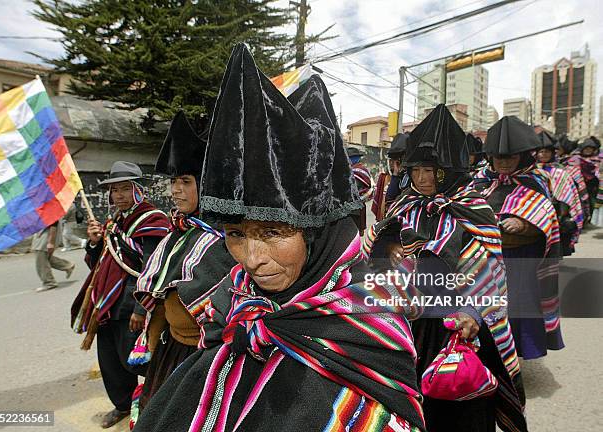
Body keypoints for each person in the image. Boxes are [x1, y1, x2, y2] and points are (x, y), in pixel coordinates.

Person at [133, 43, 424, 432]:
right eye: (235, 234)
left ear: (318, 233)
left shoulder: (368, 319)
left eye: (273, 231)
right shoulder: (232, 306)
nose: (251, 259)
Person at [363, 105, 526, 432]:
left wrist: (473, 314)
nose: (423, 179)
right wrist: (387, 249)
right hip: (412, 325)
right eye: (417, 170)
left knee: (461, 406)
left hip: (457, 326)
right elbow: (380, 246)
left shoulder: (474, 208)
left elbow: (490, 273)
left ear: (450, 170)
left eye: (433, 171)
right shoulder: (405, 204)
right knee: (415, 407)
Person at [128, 111, 235, 422]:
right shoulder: (176, 234)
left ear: (207, 184)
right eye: (173, 181)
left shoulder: (228, 241)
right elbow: (160, 300)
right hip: (170, 351)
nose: (175, 190)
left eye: (185, 181)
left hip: (205, 357)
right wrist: (149, 345)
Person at [70, 161, 170, 429]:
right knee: (111, 361)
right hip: (105, 305)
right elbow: (101, 264)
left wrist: (140, 309)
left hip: (133, 304)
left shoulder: (153, 220)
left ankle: (157, 402)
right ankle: (122, 404)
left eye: (125, 189)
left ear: (138, 190)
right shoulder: (114, 222)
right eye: (114, 191)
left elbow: (153, 268)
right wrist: (94, 242)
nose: (119, 196)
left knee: (141, 359)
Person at [473, 116, 564, 360]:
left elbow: (548, 218)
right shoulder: (479, 182)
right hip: (487, 259)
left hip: (521, 259)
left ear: (522, 156)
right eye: (498, 157)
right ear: (490, 156)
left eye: (510, 157)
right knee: (486, 309)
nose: (503, 162)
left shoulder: (535, 180)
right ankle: (488, 357)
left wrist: (525, 225)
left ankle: (514, 357)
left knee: (517, 311)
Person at [535, 130, 583, 255]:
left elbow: (568, 195)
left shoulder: (560, 171)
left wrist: (564, 213)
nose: (544, 154)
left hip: (556, 210)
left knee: (555, 241)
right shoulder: (530, 172)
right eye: (541, 151)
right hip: (537, 210)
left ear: (552, 153)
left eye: (547, 151)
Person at [372, 133, 409, 221]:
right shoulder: (394, 177)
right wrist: (396, 174)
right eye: (393, 160)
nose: (393, 164)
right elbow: (389, 198)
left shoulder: (411, 176)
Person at [32, 219, 75, 292]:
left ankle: (49, 282)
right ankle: (67, 265)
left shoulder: (49, 209)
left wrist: (51, 242)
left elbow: (53, 224)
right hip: (41, 234)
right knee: (44, 258)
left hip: (46, 236)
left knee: (41, 260)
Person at [346, 147, 373, 235]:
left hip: (355, 206)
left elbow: (360, 188)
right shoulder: (350, 170)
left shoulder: (358, 171)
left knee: (353, 232)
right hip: (354, 206)